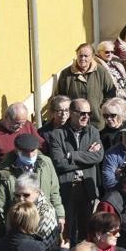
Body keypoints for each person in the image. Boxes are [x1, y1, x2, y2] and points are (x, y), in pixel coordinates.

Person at [43, 97, 103, 243]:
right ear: (71, 112)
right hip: (67, 186)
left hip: (87, 187)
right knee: (67, 228)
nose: (86, 117)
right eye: (82, 113)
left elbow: (98, 157)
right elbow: (59, 163)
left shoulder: (93, 132)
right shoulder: (57, 134)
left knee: (86, 227)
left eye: (88, 114)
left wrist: (72, 156)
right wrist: (86, 159)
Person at [0, 132, 64, 241]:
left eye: (33, 151)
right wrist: (6, 230)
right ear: (17, 151)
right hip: (18, 226)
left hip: (44, 223)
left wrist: (60, 215)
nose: (30, 155)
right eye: (25, 152)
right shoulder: (4, 174)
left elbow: (54, 192)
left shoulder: (46, 163)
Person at [0, 103, 39, 175]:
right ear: (6, 117)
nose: (20, 127)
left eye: (23, 123)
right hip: (5, 178)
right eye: (17, 123)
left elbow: (39, 144)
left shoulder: (27, 125)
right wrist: (6, 169)